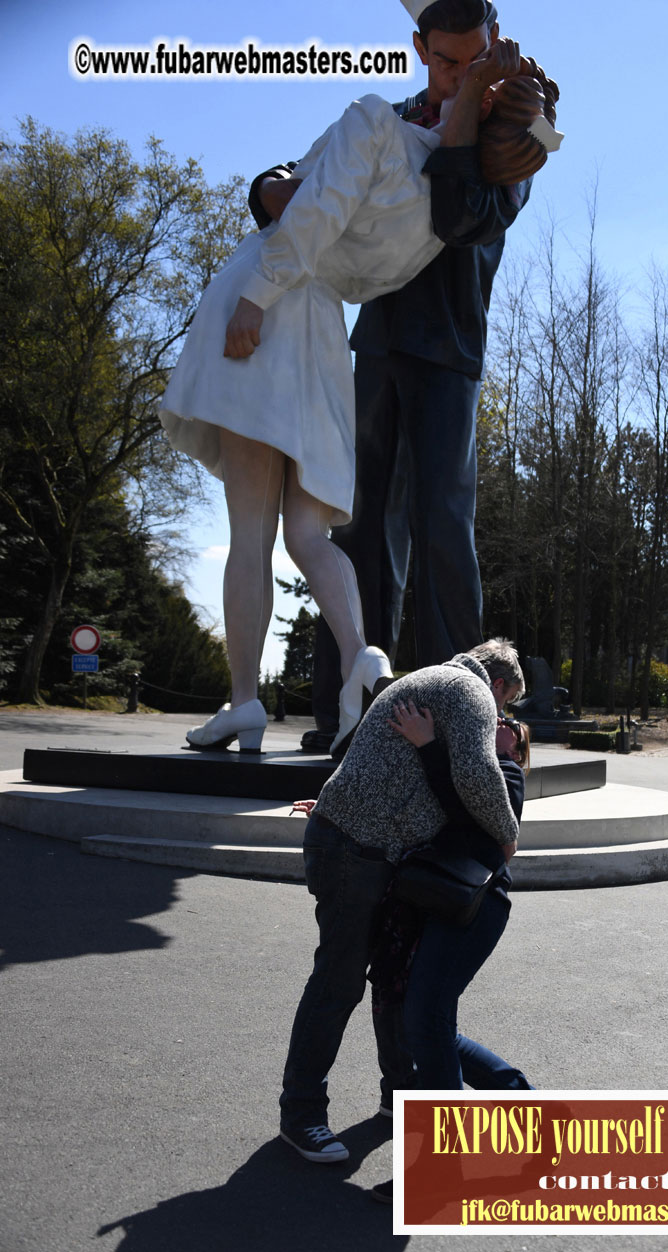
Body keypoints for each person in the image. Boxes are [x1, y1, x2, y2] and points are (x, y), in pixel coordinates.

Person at [162, 38, 556, 758]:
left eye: (469, 61)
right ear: (430, 52)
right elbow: (307, 181)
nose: (456, 70)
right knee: (358, 525)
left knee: (440, 521)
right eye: (446, 59)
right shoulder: (397, 115)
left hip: (445, 347)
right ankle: (344, 701)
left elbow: (461, 214)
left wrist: (470, 117)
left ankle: (450, 710)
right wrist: (267, 189)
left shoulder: (508, 145)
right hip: (369, 340)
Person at [278, 638, 524, 1163]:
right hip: (359, 849)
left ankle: (400, 1094)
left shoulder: (431, 682)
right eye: (505, 705)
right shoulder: (469, 693)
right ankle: (301, 1115)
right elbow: (479, 775)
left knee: (392, 981)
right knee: (339, 981)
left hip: (361, 844)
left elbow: (377, 760)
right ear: (498, 686)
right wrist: (508, 836)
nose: (501, 716)